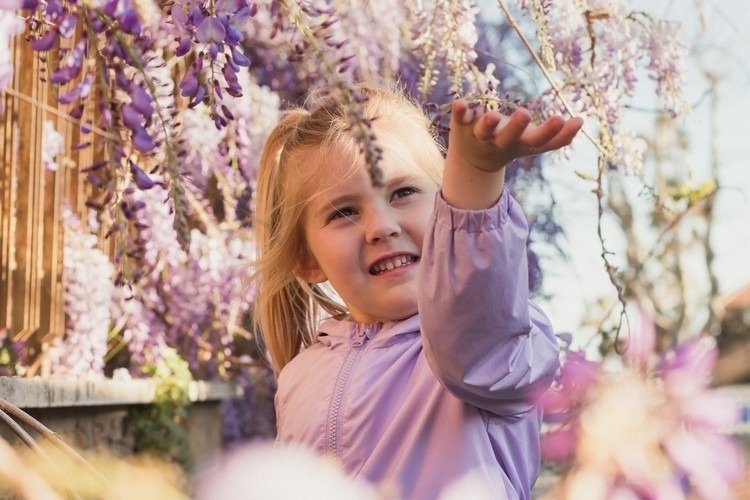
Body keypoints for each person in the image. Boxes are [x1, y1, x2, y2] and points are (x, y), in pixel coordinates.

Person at [252, 84, 583, 500]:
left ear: (446, 210)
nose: (381, 227)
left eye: (403, 192)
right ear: (307, 259)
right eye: (344, 212)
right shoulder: (300, 376)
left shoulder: (496, 346)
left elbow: (475, 334)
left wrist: (476, 181)